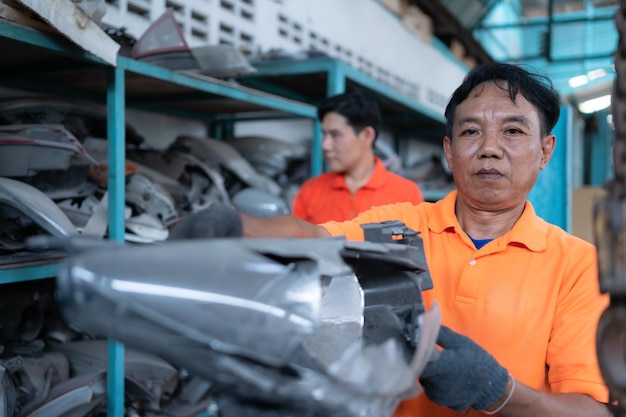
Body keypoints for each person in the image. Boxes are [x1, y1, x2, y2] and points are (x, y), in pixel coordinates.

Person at [171, 62, 610, 417]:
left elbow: (591, 410)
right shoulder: (400, 228)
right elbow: (312, 235)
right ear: (448, 150)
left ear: (546, 151)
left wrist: (501, 393)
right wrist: (234, 228)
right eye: (471, 131)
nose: (489, 148)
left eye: (513, 131)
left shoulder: (578, 267)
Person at [291, 90, 424, 223]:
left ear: (367, 136)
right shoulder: (310, 191)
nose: (325, 145)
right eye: (325, 134)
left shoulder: (407, 195)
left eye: (335, 135)